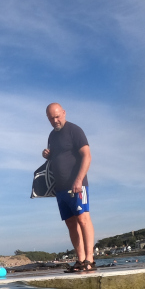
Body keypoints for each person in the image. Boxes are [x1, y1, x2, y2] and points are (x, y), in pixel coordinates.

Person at [42, 102, 96, 273]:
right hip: (60, 188)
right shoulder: (51, 136)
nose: (55, 120)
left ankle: (90, 259)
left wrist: (79, 180)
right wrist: (47, 155)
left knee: (83, 219)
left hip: (77, 185)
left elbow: (87, 156)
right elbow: (58, 159)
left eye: (57, 116)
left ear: (64, 113)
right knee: (71, 223)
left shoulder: (75, 130)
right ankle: (80, 260)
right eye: (51, 118)